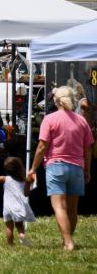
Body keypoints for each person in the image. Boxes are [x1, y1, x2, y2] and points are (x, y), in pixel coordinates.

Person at [28, 86, 93, 251]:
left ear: (56, 100)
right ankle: (67, 239)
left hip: (55, 166)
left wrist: (33, 168)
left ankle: (68, 241)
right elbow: (88, 149)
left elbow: (42, 146)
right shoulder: (82, 121)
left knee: (59, 207)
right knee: (72, 208)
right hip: (77, 167)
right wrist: (87, 169)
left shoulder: (49, 119)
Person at [0, 157, 36, 246]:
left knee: (9, 227)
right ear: (20, 168)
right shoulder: (24, 180)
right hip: (18, 207)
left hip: (7, 207)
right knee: (19, 226)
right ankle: (22, 236)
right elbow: (26, 194)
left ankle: (10, 245)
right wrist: (29, 183)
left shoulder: (5, 179)